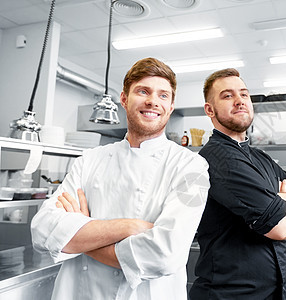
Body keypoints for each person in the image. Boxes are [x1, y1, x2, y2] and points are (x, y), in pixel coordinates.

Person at [31, 57, 210, 300]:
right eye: (143, 91)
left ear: (170, 106)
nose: (152, 101)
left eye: (163, 95)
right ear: (124, 99)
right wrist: (128, 227)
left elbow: (165, 255)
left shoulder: (192, 167)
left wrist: (80, 236)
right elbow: (42, 229)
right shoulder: (89, 160)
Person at [189, 68, 286, 299]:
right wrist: (281, 200)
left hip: (274, 291)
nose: (239, 101)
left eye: (244, 94)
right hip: (233, 293)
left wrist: (278, 200)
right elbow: (282, 228)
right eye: (227, 96)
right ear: (210, 110)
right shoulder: (219, 159)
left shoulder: (260, 157)